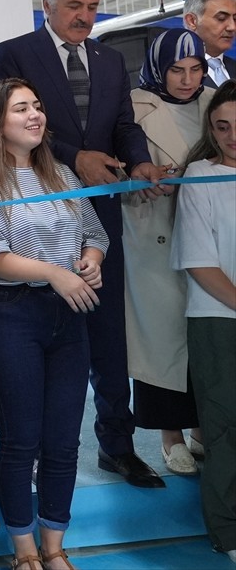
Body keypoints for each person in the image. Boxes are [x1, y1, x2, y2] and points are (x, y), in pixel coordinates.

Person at [0, 0, 168, 488]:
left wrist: (137, 161)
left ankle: (117, 444)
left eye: (92, 7)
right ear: (47, 6)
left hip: (99, 216)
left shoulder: (111, 61)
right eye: (74, 6)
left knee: (108, 333)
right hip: (31, 213)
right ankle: (34, 455)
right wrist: (76, 157)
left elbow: (123, 126)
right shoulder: (15, 52)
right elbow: (10, 123)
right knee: (42, 335)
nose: (85, 17)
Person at [0, 78, 108, 570]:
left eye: (37, 105)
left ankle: (54, 545)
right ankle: (23, 550)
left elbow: (94, 233)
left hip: (69, 315)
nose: (34, 115)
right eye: (20, 109)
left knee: (64, 440)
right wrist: (54, 272)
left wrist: (90, 260)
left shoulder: (63, 175)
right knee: (21, 439)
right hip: (12, 315)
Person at [124, 29, 212, 476]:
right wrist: (141, 183)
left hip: (208, 236)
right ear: (159, 68)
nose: (187, 79)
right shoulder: (135, 106)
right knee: (160, 339)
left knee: (204, 336)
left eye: (195, 68)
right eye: (177, 69)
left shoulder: (215, 103)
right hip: (153, 234)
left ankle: (200, 430)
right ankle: (169, 436)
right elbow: (120, 167)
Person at [171, 80, 236, 563]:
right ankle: (229, 534)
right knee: (226, 429)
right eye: (222, 126)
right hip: (218, 320)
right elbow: (200, 261)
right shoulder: (199, 175)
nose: (232, 135)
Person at [182, 0, 236, 88]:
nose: (232, 27)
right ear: (192, 21)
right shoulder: (169, 75)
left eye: (235, 19)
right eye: (221, 18)